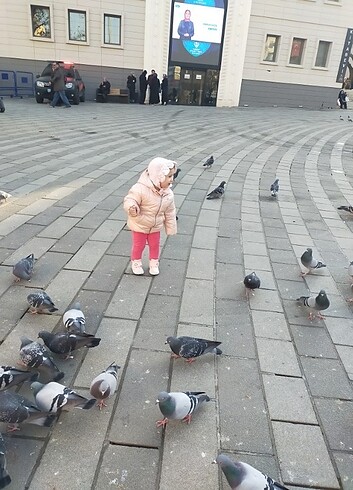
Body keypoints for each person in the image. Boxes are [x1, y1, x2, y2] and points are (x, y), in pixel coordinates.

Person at [123, 157, 177, 276]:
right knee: (139, 245)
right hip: (140, 224)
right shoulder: (140, 188)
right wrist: (132, 207)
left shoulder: (168, 193)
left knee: (155, 245)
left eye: (172, 176)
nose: (171, 179)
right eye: (169, 176)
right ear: (158, 176)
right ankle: (136, 262)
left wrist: (170, 228)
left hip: (155, 226)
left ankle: (154, 263)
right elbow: (130, 199)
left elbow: (170, 212)